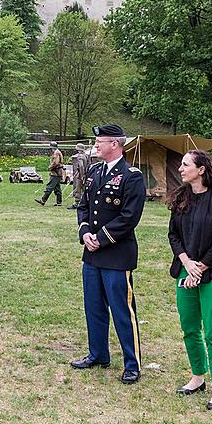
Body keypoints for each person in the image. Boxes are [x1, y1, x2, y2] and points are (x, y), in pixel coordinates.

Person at [71, 124, 146, 384]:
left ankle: (132, 363)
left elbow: (129, 217)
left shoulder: (132, 176)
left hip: (116, 254)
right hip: (91, 255)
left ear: (115, 144)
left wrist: (100, 239)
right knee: (94, 307)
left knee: (122, 310)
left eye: (99, 141)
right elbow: (83, 206)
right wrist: (84, 234)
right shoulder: (93, 172)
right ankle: (98, 354)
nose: (96, 145)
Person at [168, 150, 212, 411]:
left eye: (185, 165)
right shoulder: (181, 198)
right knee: (190, 328)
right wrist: (187, 264)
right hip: (187, 270)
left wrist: (201, 267)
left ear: (202, 169)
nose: (181, 169)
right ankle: (197, 377)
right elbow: (173, 235)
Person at [36, 142, 64, 206]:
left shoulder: (56, 153)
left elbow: (55, 163)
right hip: (58, 172)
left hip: (55, 173)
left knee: (50, 187)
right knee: (57, 188)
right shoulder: (58, 151)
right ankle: (59, 202)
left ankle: (43, 200)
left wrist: (50, 167)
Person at [69, 143, 90, 209]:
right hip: (86, 174)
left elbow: (81, 166)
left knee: (78, 189)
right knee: (84, 189)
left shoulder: (80, 156)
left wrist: (82, 175)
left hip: (81, 175)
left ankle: (77, 203)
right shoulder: (86, 155)